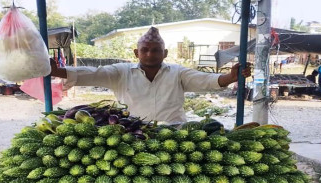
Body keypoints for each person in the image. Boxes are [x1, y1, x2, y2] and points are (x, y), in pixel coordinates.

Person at [49, 27, 251, 123]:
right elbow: (92, 74)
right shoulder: (120, 72)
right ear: (136, 53)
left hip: (175, 133)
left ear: (165, 53)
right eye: (145, 50)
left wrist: (230, 77)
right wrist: (58, 71)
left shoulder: (178, 72)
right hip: (131, 133)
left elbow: (205, 80)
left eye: (156, 50)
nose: (150, 54)